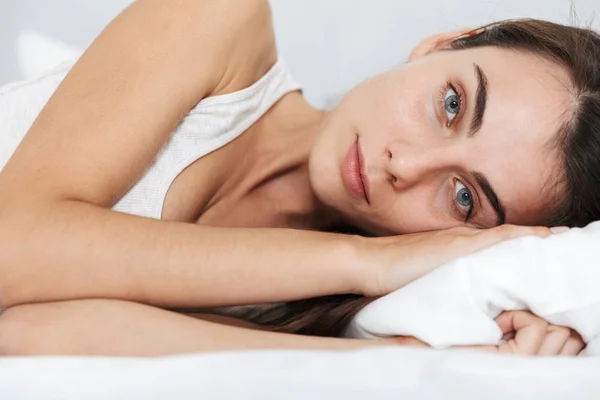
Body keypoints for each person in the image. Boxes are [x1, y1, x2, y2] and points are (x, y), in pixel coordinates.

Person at [0, 0, 597, 357]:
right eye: (450, 104)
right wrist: (363, 262)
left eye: (464, 197)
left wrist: (397, 361)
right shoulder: (218, 20)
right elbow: (12, 251)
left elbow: (28, 335)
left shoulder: (300, 305)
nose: (405, 164)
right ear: (441, 45)